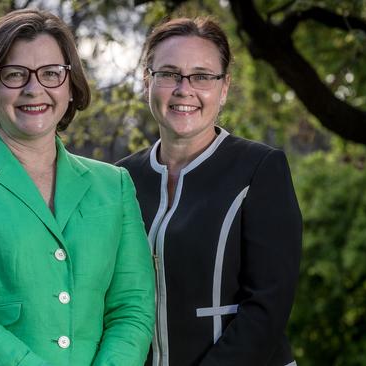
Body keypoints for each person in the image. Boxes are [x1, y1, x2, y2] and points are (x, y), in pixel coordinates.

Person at [0, 9, 155, 366]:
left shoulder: (113, 186)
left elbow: (131, 309)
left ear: (70, 89)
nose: (33, 88)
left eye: (52, 74)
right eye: (14, 74)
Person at [117, 17, 302, 366]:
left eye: (202, 76)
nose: (184, 89)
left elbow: (268, 306)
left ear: (224, 87)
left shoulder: (260, 169)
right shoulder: (122, 179)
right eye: (169, 73)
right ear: (147, 81)